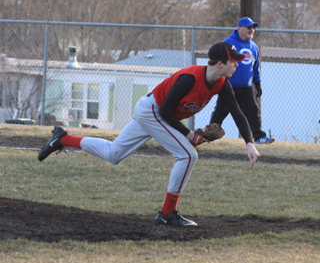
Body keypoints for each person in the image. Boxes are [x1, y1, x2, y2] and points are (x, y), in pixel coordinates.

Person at [38, 42, 260, 227]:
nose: (237, 64)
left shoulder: (221, 83)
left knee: (113, 154)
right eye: (234, 61)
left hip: (151, 111)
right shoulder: (190, 78)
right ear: (220, 63)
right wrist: (190, 135)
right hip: (152, 111)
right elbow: (164, 112)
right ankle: (167, 213)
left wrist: (250, 143)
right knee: (188, 155)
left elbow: (237, 113)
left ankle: (63, 138)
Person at [210, 17, 275, 144]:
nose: (251, 30)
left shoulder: (253, 47)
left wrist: (257, 82)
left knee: (252, 111)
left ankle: (259, 137)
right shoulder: (228, 43)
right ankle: (209, 135)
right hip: (228, 85)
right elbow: (219, 63)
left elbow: (255, 67)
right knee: (220, 112)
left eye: (253, 28)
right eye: (248, 27)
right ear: (239, 28)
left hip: (246, 87)